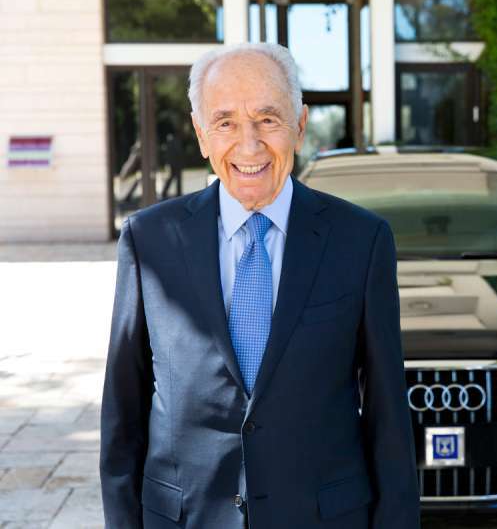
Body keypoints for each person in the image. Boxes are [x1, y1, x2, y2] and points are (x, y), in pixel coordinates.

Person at [99, 42, 420, 529]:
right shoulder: (148, 240)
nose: (248, 146)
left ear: (300, 125)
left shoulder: (362, 240)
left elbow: (388, 416)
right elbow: (123, 414)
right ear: (201, 134)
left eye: (267, 119)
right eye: (225, 122)